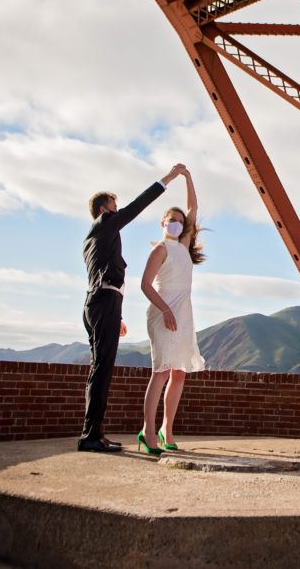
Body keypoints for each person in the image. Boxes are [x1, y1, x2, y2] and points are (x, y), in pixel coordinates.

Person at [79, 163, 185, 453]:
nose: (118, 210)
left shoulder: (93, 239)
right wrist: (169, 179)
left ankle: (95, 433)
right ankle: (90, 436)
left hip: (99, 303)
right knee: (101, 368)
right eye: (115, 206)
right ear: (104, 210)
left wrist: (118, 314)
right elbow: (139, 205)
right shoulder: (105, 224)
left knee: (99, 368)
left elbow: (103, 273)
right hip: (104, 302)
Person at [138, 166, 205, 454]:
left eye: (180, 221)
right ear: (162, 224)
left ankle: (168, 429)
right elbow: (145, 285)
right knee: (161, 372)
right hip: (163, 312)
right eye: (171, 221)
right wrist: (165, 310)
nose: (177, 224)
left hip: (184, 314)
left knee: (180, 373)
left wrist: (188, 177)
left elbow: (193, 207)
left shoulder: (184, 245)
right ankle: (148, 432)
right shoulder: (160, 250)